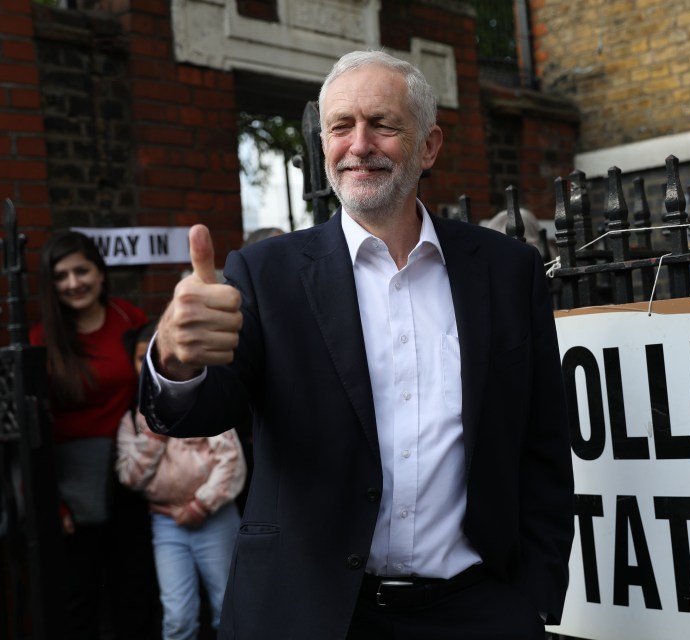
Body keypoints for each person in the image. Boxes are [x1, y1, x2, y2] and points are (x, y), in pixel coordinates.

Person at [140, 50, 574, 639]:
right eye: (340, 126)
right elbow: (196, 410)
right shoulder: (266, 274)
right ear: (324, 146)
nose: (359, 144)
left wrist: (535, 600)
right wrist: (174, 355)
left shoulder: (506, 271)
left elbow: (541, 445)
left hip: (477, 610)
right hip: (311, 612)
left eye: (383, 124)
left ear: (428, 145)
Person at [29, 230, 160, 639]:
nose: (73, 283)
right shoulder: (40, 339)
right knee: (78, 599)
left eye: (81, 270)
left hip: (131, 471)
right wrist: (56, 504)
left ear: (100, 273)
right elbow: (36, 431)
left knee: (135, 592)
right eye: (61, 275)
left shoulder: (130, 320)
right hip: (73, 482)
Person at [116, 323, 246, 640]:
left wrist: (202, 503)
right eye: (139, 358)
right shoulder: (133, 421)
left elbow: (230, 462)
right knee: (177, 618)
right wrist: (156, 431)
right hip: (166, 523)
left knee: (228, 607)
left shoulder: (202, 407)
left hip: (214, 518)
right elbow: (130, 476)